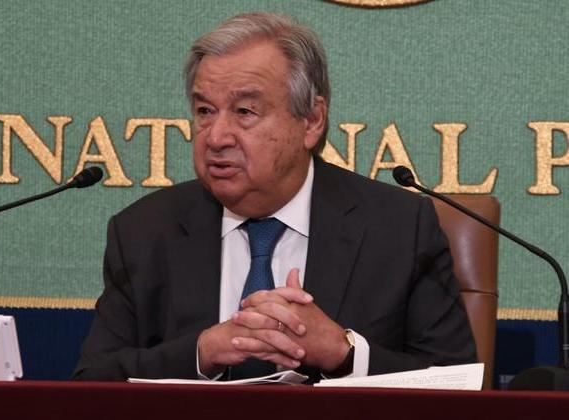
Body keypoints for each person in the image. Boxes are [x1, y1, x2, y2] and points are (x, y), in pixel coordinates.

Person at [73, 12, 476, 382]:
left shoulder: (399, 228)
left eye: (245, 112)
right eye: (205, 111)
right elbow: (92, 383)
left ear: (311, 121)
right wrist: (201, 353)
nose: (216, 137)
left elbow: (459, 386)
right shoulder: (144, 231)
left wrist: (344, 354)